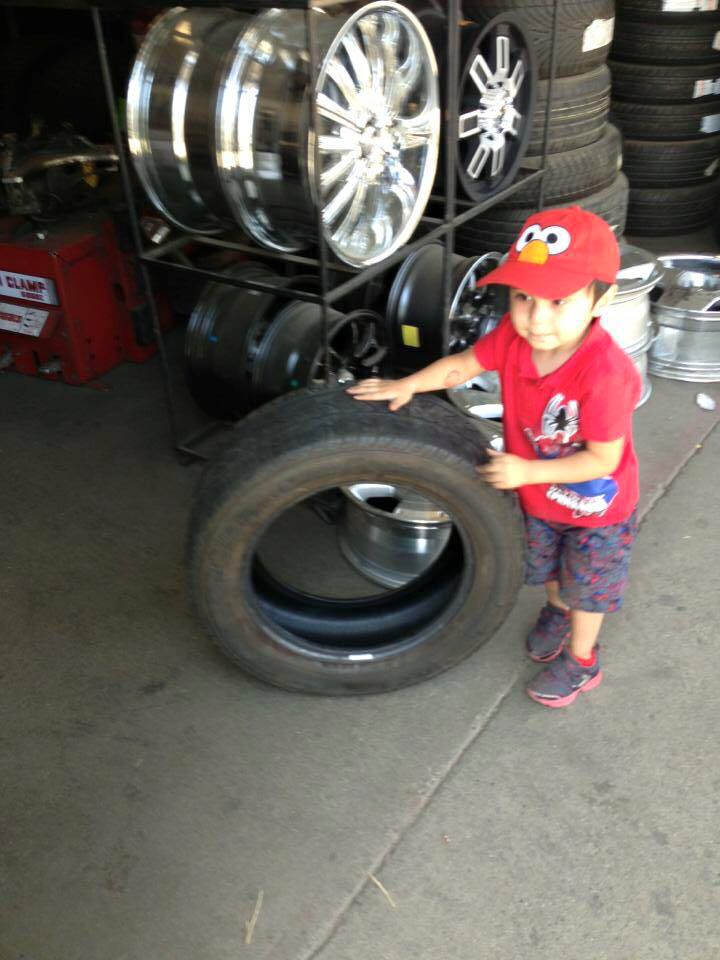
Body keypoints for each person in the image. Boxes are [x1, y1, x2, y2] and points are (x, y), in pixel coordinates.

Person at [347, 206, 641, 709]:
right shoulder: (512, 337)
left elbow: (601, 461)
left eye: (558, 301)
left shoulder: (605, 375)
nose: (536, 318)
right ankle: (556, 612)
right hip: (539, 498)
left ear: (602, 299)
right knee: (551, 571)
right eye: (524, 297)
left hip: (597, 510)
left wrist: (527, 470)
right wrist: (407, 385)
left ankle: (582, 659)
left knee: (587, 589)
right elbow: (464, 364)